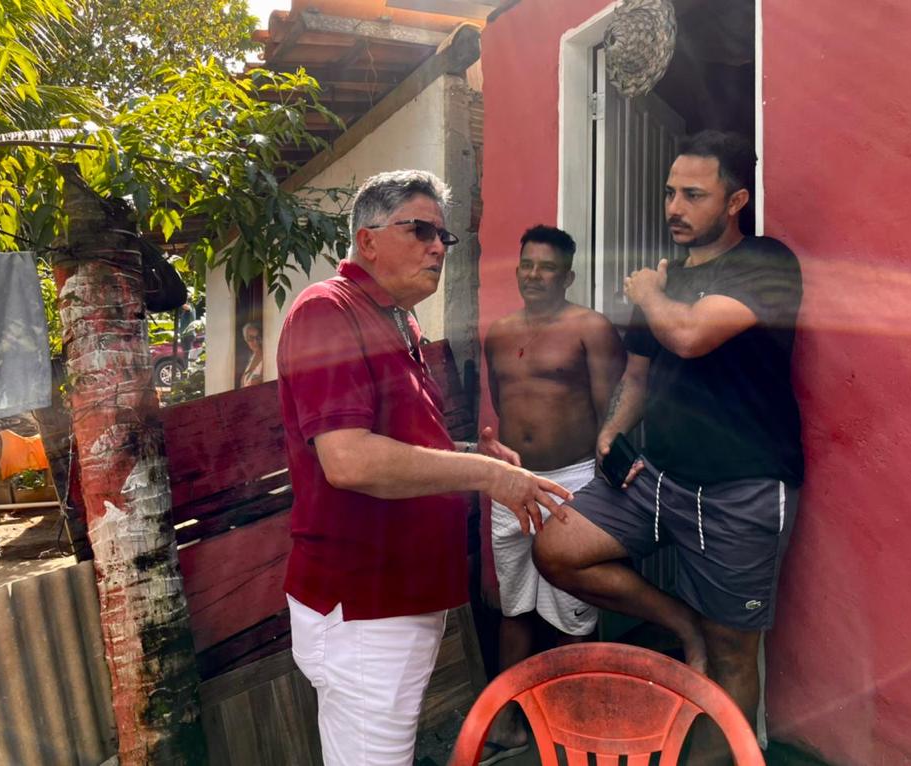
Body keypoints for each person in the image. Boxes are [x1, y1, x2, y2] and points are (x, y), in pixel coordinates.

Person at [276, 170, 573, 766]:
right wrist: (489, 477)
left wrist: (471, 456)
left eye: (444, 236)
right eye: (420, 231)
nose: (438, 246)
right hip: (364, 601)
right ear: (367, 240)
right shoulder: (328, 310)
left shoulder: (399, 319)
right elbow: (349, 459)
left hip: (403, 594)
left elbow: (400, 443)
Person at [533, 131, 804, 761]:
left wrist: (648, 293)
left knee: (733, 654)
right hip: (659, 478)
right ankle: (683, 625)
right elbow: (638, 375)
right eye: (669, 192)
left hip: (742, 488)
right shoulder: (667, 278)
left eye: (693, 195)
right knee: (558, 549)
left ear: (735, 201)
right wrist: (610, 432)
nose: (674, 208)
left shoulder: (765, 262)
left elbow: (688, 336)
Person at [481, 225, 625, 762]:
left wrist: (605, 487)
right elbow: (502, 402)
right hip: (510, 484)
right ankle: (509, 723)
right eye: (527, 265)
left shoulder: (590, 327)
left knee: (573, 609)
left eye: (547, 268)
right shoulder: (499, 332)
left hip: (574, 481)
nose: (534, 275)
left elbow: (611, 413)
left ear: (567, 276)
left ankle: (575, 725)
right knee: (514, 605)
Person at [239, 321, 263, 387]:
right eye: (251, 338)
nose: (255, 341)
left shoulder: (266, 356)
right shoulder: (251, 358)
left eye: (257, 337)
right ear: (246, 339)